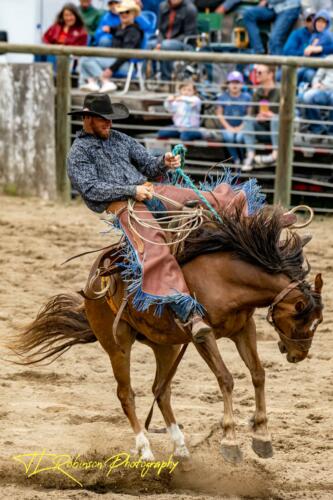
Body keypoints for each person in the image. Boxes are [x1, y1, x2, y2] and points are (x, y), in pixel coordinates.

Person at [67, 93, 274, 342]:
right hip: (123, 206)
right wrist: (132, 190)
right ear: (88, 118)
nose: (109, 124)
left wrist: (164, 161)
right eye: (103, 119)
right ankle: (185, 310)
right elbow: (91, 188)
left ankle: (258, 231)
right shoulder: (78, 153)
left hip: (149, 191)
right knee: (153, 247)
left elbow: (148, 165)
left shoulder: (120, 139)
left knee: (207, 199)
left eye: (110, 119)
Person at [79, 0, 143, 92]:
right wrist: (108, 29)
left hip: (125, 65)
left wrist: (111, 69)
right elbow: (115, 30)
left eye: (127, 12)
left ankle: (104, 82)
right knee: (84, 58)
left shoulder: (133, 31)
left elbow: (126, 54)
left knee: (87, 61)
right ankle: (92, 82)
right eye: (121, 12)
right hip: (114, 60)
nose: (123, 14)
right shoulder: (121, 27)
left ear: (133, 14)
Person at [241, 64, 280, 171]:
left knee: (276, 119)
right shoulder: (257, 92)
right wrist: (257, 117)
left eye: (260, 72)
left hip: (279, 133)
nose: (256, 75)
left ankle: (275, 155)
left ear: (270, 74)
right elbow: (251, 114)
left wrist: (272, 116)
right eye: (255, 72)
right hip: (262, 130)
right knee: (247, 119)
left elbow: (289, 114)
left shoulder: (280, 91)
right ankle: (250, 156)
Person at [153, 0, 198, 84]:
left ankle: (166, 81)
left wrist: (164, 43)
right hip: (164, 40)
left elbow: (188, 34)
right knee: (148, 45)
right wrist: (159, 42)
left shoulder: (190, 9)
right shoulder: (163, 6)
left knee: (166, 46)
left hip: (185, 43)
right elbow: (160, 29)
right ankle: (146, 79)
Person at [215, 71, 251, 165]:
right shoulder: (222, 97)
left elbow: (249, 115)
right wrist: (228, 127)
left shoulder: (247, 97)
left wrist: (241, 127)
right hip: (227, 126)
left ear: (242, 84)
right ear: (228, 84)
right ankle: (236, 160)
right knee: (229, 137)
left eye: (237, 82)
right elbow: (219, 114)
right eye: (232, 82)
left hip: (243, 126)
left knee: (239, 138)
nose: (234, 85)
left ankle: (244, 158)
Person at [300, 54, 333, 142]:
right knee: (307, 96)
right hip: (323, 89)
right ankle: (318, 130)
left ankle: (331, 133)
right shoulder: (328, 58)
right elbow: (317, 76)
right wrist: (316, 84)